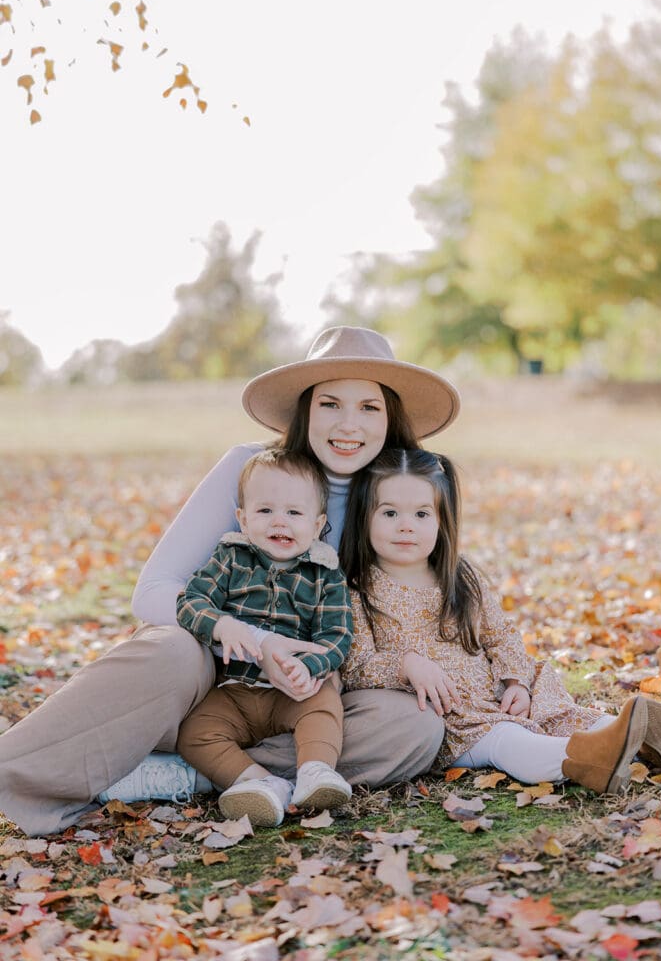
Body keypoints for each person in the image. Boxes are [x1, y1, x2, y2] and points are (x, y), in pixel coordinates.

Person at [0, 326, 462, 835]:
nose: (349, 423)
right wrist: (251, 640)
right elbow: (152, 592)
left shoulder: (398, 499)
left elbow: (431, 605)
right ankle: (17, 771)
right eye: (331, 404)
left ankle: (189, 775)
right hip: (206, 671)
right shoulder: (251, 468)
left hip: (304, 694)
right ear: (305, 410)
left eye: (369, 408)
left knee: (415, 726)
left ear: (390, 418)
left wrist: (509, 682)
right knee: (169, 650)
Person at [339, 448, 661, 793]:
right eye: (389, 513)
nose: (405, 525)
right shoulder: (357, 590)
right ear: (364, 517)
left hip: (498, 691)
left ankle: (636, 738)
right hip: (453, 715)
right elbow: (356, 666)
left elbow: (501, 635)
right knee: (509, 742)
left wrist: (516, 681)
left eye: (421, 514)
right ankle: (586, 759)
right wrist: (405, 664)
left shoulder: (460, 576)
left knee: (561, 714)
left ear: (442, 521)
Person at [173, 447, 353, 827]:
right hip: (233, 690)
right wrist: (223, 625)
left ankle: (315, 772)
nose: (280, 523)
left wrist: (311, 666)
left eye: (294, 513)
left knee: (323, 706)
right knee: (194, 734)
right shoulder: (230, 558)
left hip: (292, 690)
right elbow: (190, 602)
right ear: (242, 518)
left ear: (318, 524)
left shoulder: (325, 575)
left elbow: (337, 636)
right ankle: (260, 784)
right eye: (265, 510)